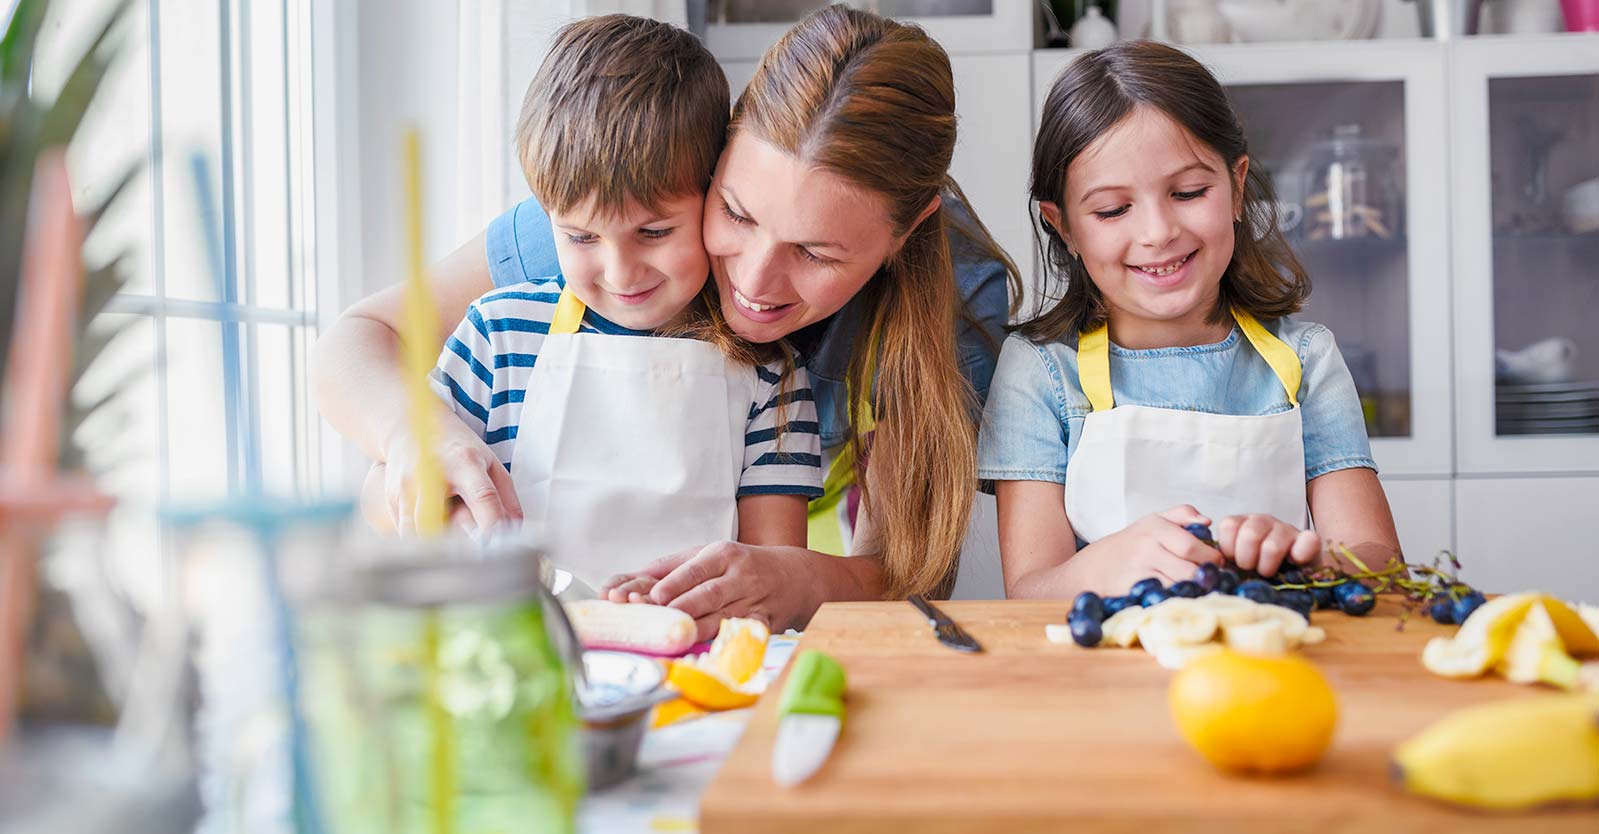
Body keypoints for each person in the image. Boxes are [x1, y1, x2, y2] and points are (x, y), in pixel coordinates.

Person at [312, 6, 1020, 640]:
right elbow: (364, 338)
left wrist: (794, 579)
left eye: (814, 252)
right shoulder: (620, 213)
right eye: (737, 214)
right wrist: (418, 443)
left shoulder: (953, 299)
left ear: (907, 232)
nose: (752, 280)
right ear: (717, 157)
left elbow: (902, 571)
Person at [405, 15, 822, 592]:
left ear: (715, 197)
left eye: (653, 234)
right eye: (580, 237)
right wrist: (449, 520)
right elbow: (394, 492)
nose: (620, 272)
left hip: (692, 656)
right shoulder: (497, 335)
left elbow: (773, 576)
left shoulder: (769, 372)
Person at [980, 41, 1400, 600]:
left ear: (1236, 187)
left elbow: (1381, 565)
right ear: (1065, 227)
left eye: (1188, 192)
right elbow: (1030, 592)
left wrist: (1309, 558)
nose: (1157, 232)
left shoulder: (1305, 358)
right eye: (1112, 210)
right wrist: (1106, 565)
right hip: (1101, 680)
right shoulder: (1039, 369)